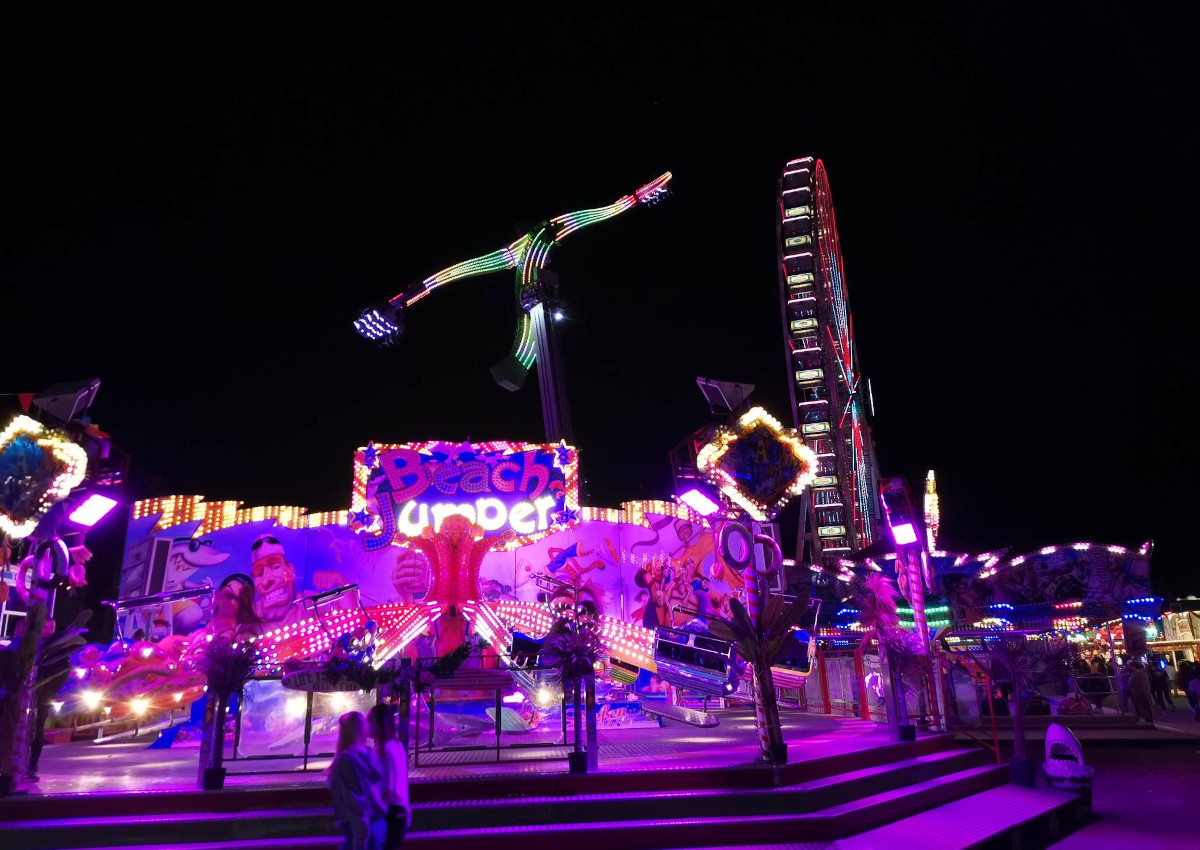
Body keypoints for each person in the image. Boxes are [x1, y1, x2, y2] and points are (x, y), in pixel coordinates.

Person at [329, 711, 387, 850]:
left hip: (366, 820)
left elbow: (373, 779)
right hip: (365, 820)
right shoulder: (351, 758)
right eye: (365, 722)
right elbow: (356, 796)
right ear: (359, 728)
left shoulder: (359, 754)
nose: (368, 725)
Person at [368, 704, 411, 849]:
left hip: (389, 812)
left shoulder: (384, 749)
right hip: (398, 810)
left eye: (370, 722)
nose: (367, 726)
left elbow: (387, 786)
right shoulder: (396, 745)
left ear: (379, 725)